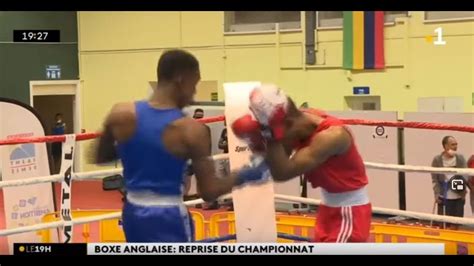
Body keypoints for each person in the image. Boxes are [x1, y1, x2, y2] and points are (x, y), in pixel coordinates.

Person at [94, 49, 269, 243]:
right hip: (168, 216)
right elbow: (209, 192)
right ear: (180, 79)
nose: (193, 95)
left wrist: (142, 151)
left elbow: (100, 157)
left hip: (133, 211)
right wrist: (246, 174)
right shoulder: (191, 131)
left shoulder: (121, 114)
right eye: (193, 85)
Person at [231, 84, 371, 242]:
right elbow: (278, 161)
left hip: (349, 212)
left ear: (287, 122)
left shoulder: (332, 136)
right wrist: (258, 143)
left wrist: (269, 134)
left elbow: (283, 172)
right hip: (329, 207)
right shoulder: (298, 125)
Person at [431, 136, 467, 229]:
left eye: (456, 144)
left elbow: (465, 176)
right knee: (443, 224)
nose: (455, 146)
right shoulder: (437, 160)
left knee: (455, 224)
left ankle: (454, 242)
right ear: (446, 146)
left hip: (458, 196)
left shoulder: (460, 158)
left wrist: (462, 191)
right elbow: (435, 179)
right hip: (443, 197)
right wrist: (436, 193)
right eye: (453, 144)